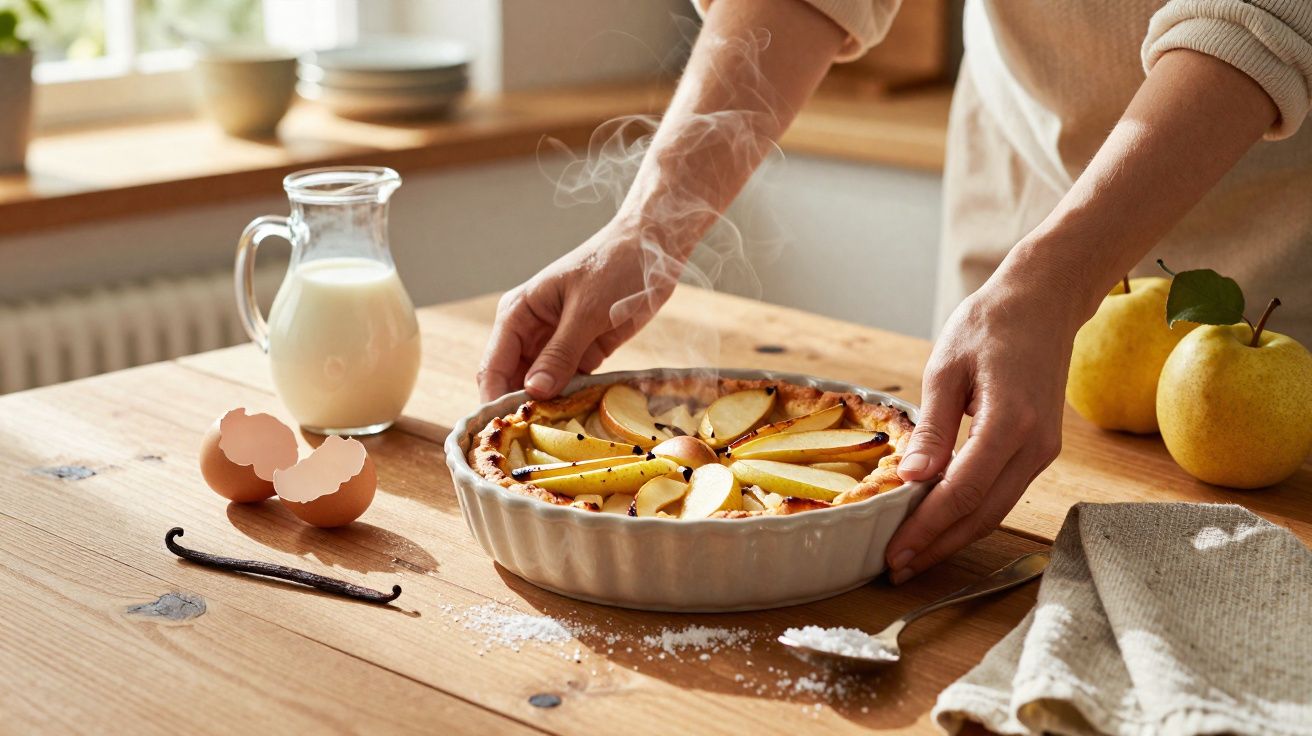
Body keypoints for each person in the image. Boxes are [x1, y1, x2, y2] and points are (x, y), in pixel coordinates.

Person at [478, 0, 1312, 584]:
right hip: (1027, 187)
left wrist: (1054, 282)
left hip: (1275, 236)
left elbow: (1262, 18)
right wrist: (648, 226)